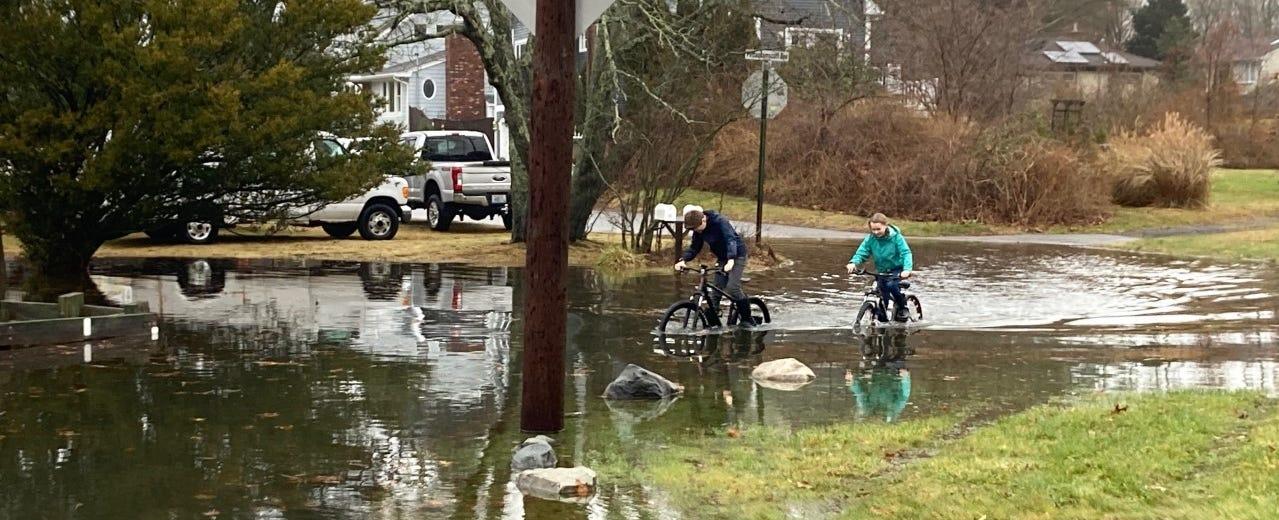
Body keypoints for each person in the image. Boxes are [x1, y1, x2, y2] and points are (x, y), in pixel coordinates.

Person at [674, 209, 754, 326]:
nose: (696, 231)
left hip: (737, 255)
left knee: (732, 288)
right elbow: (695, 247)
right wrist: (683, 260)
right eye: (693, 229)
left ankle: (747, 319)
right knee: (716, 291)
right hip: (722, 257)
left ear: (703, 220)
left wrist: (731, 259)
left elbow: (730, 239)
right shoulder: (698, 229)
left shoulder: (720, 222)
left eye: (696, 228)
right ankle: (713, 322)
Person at [846, 213, 914, 322]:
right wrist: (853, 262)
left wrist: (907, 269)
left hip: (897, 269)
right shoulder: (870, 239)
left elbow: (906, 253)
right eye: (873, 229)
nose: (876, 232)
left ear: (885, 225)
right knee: (882, 294)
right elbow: (862, 252)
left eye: (878, 229)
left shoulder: (896, 237)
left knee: (891, 285)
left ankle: (903, 307)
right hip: (882, 270)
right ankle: (882, 315)